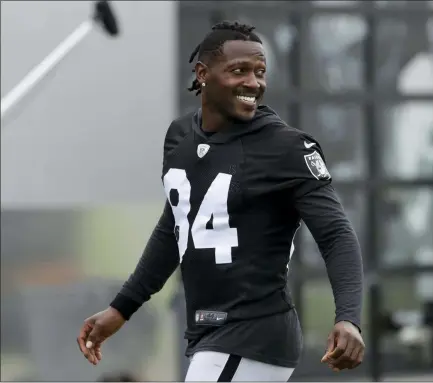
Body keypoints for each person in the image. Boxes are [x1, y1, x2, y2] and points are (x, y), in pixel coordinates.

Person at [77, 21, 365, 382]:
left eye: (260, 72)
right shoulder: (179, 136)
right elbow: (176, 226)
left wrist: (348, 317)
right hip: (207, 333)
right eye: (239, 71)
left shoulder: (287, 148)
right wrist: (122, 308)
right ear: (202, 74)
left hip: (255, 333)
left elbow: (336, 235)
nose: (254, 83)